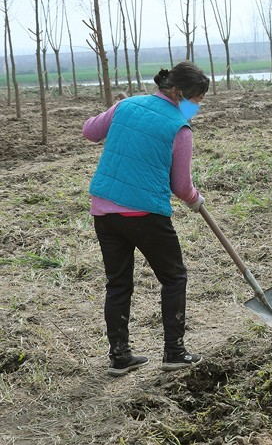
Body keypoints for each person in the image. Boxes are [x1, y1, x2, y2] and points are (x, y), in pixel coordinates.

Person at [83, 61, 210, 376]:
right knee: (174, 277)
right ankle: (174, 352)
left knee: (118, 283)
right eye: (195, 99)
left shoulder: (127, 105)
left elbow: (90, 131)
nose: (196, 106)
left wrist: (118, 109)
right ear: (178, 92)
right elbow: (181, 186)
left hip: (105, 211)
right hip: (144, 213)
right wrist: (196, 200)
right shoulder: (179, 127)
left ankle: (119, 356)